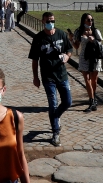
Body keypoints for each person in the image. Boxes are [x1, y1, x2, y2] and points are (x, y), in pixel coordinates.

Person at [28, 12, 73, 147]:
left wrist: (67, 57)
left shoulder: (61, 34)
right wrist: (35, 77)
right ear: (43, 21)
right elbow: (35, 59)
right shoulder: (38, 38)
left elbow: (69, 49)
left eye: (52, 20)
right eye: (47, 20)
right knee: (52, 104)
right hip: (48, 77)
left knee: (68, 102)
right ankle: (55, 132)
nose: (50, 22)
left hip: (62, 75)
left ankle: (56, 116)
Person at [75, 13, 103, 112]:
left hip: (95, 57)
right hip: (84, 58)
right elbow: (76, 46)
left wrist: (94, 40)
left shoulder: (95, 31)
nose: (90, 22)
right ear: (83, 21)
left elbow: (100, 44)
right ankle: (92, 101)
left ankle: (93, 97)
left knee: (94, 80)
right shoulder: (78, 32)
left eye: (91, 20)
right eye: (88, 20)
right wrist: (71, 39)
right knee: (87, 79)